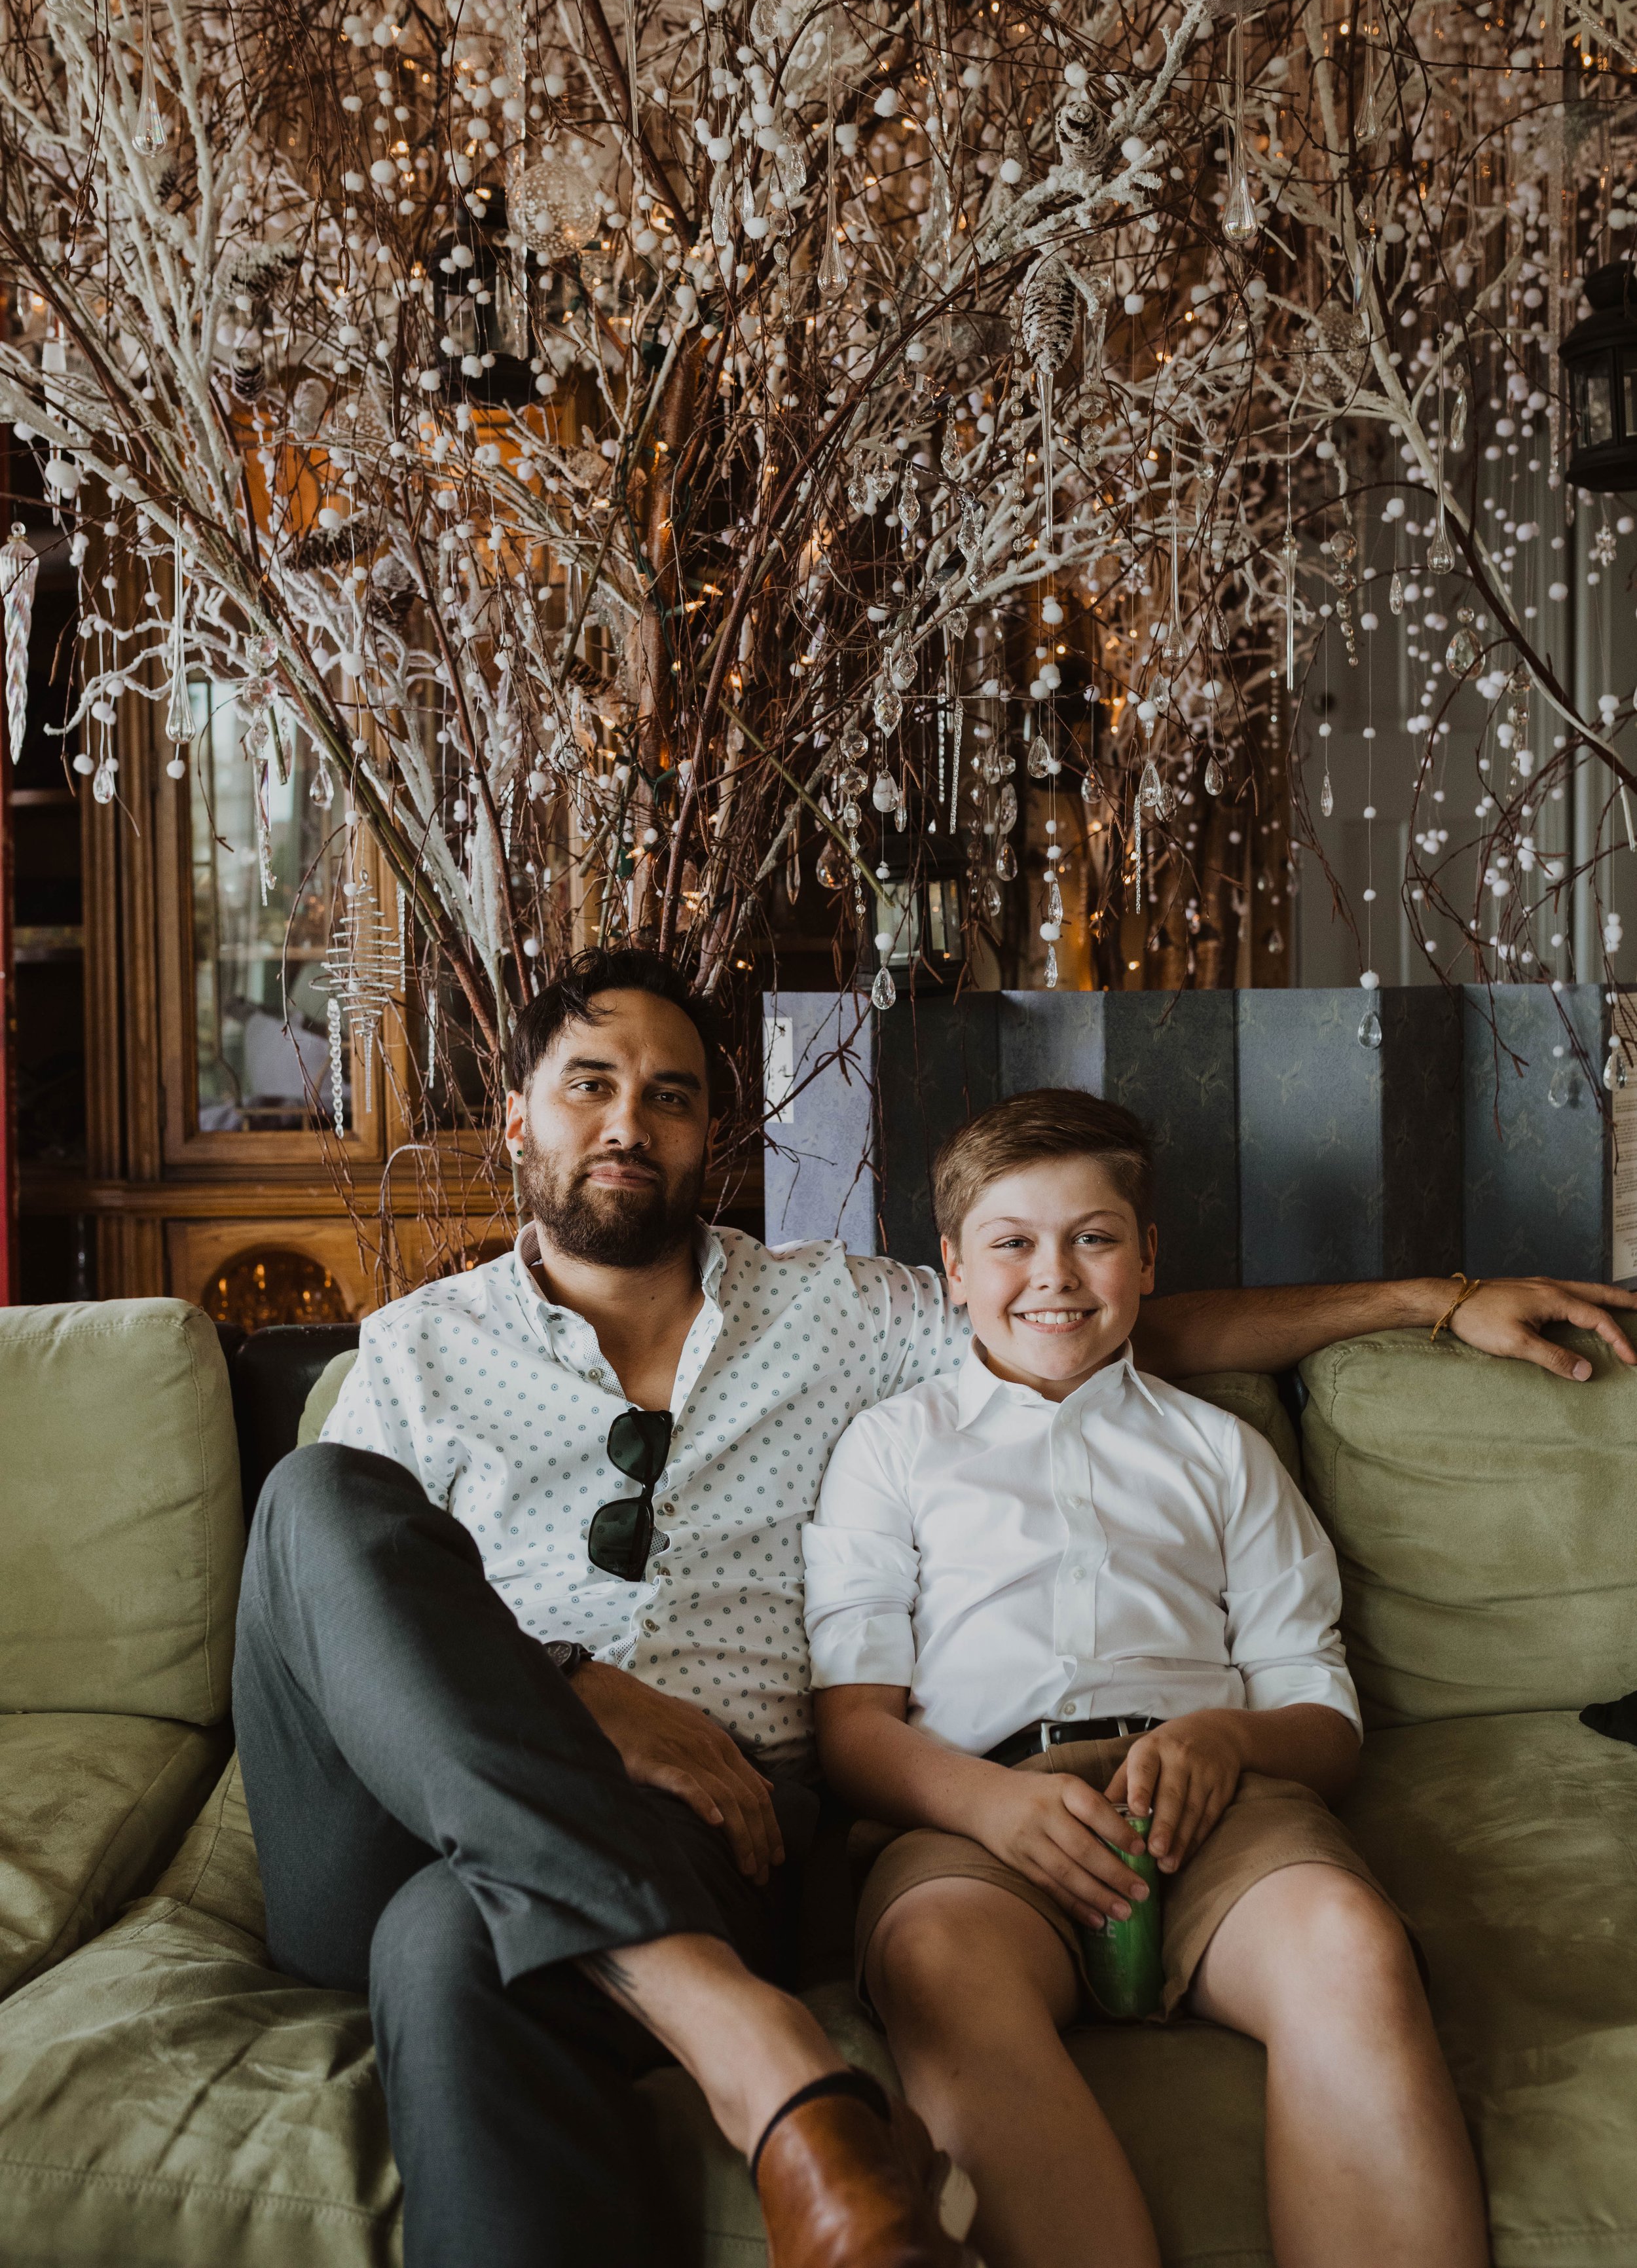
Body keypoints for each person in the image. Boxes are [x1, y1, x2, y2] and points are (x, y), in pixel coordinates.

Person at [233, 947, 1629, 2268]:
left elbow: (1098, 1321)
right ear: (520, 1115)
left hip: (703, 1838)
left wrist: (1431, 1302)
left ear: (712, 1133)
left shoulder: (827, 1312)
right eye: (590, 1082)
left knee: (446, 1939)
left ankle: (700, 2014)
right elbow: (335, 1613)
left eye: (670, 1094)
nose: (628, 1121)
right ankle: (762, 2055)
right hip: (392, 1811)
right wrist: (577, 1696)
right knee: (317, 1502)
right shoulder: (416, 1351)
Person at [805, 1089, 1489, 2268]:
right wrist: (988, 1804)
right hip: (977, 1810)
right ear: (954, 1272)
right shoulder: (891, 1448)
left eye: (1095, 1236)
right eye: (1012, 1241)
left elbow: (1322, 1718)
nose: (1054, 1275)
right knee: (938, 1964)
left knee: (1347, 1939)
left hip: (1212, 1798)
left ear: (1148, 1256)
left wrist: (1230, 1741)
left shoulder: (1222, 1451)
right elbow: (855, 1731)